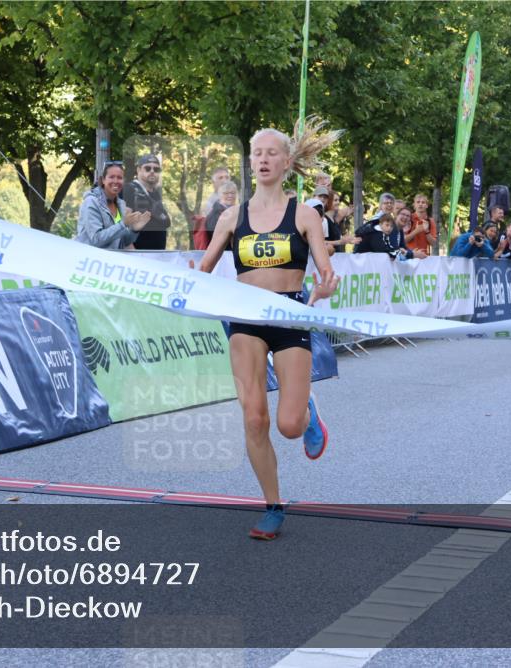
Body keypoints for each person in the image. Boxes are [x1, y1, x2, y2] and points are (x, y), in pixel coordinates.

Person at [190, 117, 341, 541]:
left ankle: (308, 413)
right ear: (249, 162)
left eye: (271, 152)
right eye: (257, 153)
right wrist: (191, 280)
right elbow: (203, 271)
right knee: (254, 417)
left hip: (291, 316)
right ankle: (273, 505)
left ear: (287, 162)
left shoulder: (306, 215)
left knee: (287, 426)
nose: (263, 159)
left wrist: (324, 289)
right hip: (245, 320)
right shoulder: (231, 217)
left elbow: (324, 273)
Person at [75, 162, 151, 249]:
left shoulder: (121, 205)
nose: (116, 181)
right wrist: (123, 224)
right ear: (103, 180)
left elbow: (122, 242)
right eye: (111, 177)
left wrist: (134, 230)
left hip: (109, 261)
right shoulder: (91, 202)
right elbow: (96, 240)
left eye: (119, 178)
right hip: (88, 260)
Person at [124, 155, 172, 250]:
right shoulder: (129, 189)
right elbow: (121, 224)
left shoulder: (155, 193)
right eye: (147, 168)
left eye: (156, 169)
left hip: (157, 256)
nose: (152, 171)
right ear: (138, 170)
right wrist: (133, 254)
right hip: (139, 257)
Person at [354, 213, 426, 260]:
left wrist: (401, 251)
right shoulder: (375, 234)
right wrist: (409, 254)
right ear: (381, 224)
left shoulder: (383, 234)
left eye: (391, 226)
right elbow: (386, 252)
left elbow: (390, 249)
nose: (389, 228)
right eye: (387, 225)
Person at [202, 181, 238, 248]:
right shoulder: (215, 215)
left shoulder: (234, 212)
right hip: (224, 255)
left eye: (233, 193)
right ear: (219, 195)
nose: (230, 196)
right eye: (226, 193)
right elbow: (217, 240)